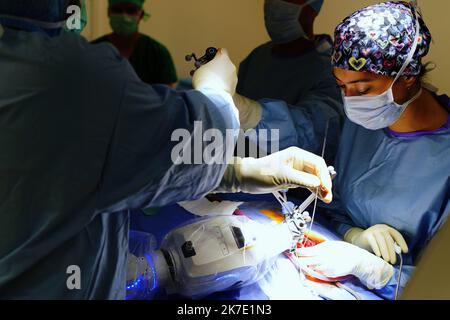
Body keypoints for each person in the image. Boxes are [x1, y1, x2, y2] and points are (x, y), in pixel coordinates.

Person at [0, 0, 333, 299]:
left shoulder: (22, 66)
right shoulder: (72, 69)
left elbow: (88, 162)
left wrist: (238, 172)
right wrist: (216, 93)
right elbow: (172, 138)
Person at [296, 1, 450, 299]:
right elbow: (333, 203)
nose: (351, 101)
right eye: (342, 87)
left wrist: (378, 271)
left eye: (363, 88)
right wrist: (355, 235)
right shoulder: (361, 126)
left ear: (407, 75)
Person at [234, 0, 344, 164]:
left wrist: (251, 114)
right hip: (239, 177)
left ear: (312, 8)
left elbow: (314, 134)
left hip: (295, 183)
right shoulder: (256, 58)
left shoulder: (332, 70)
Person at [92, 0, 178, 87]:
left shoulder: (158, 53)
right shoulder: (92, 50)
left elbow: (167, 97)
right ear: (108, 12)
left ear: (141, 15)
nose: (124, 16)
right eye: (117, 10)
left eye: (131, 11)